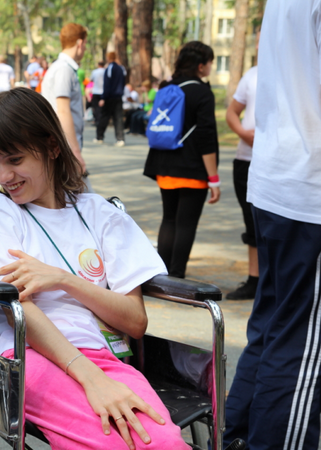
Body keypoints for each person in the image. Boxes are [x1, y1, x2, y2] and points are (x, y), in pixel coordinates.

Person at [0, 88, 188, 450]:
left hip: (104, 355)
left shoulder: (99, 213)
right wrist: (90, 378)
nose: (3, 176)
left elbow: (134, 321)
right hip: (27, 356)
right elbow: (17, 313)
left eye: (15, 159)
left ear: (52, 147)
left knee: (164, 442)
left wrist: (63, 280)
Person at [224, 1, 321, 448]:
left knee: (273, 328)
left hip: (277, 180)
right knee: (303, 348)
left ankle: (239, 437)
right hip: (309, 190)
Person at [142, 41, 220, 279]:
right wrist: (214, 178)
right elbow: (206, 137)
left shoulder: (167, 87)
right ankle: (177, 276)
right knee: (186, 224)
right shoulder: (202, 92)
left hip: (164, 164)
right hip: (192, 167)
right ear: (200, 66)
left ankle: (162, 275)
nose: (211, 66)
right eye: (210, 62)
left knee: (169, 219)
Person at [40, 22, 91, 192]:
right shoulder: (64, 70)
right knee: (82, 197)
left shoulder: (61, 68)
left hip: (61, 145)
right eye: (85, 44)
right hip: (64, 147)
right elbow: (62, 110)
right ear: (79, 43)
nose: (85, 48)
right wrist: (75, 153)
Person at [224, 63, 258, 300]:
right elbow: (231, 112)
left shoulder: (299, 67)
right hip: (246, 159)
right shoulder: (252, 74)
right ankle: (255, 280)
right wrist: (244, 133)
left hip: (283, 163)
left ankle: (276, 281)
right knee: (251, 222)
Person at [95, 52, 126, 147]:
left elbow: (107, 84)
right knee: (118, 118)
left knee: (104, 117)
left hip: (109, 97)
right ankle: (120, 139)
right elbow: (123, 82)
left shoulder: (109, 68)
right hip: (118, 97)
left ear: (108, 58)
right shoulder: (121, 68)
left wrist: (103, 97)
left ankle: (99, 137)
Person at [90, 61, 106, 126]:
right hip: (103, 92)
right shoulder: (105, 71)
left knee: (96, 107)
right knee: (103, 108)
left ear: (98, 65)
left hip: (96, 91)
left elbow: (91, 79)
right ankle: (102, 121)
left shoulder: (94, 72)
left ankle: (97, 120)